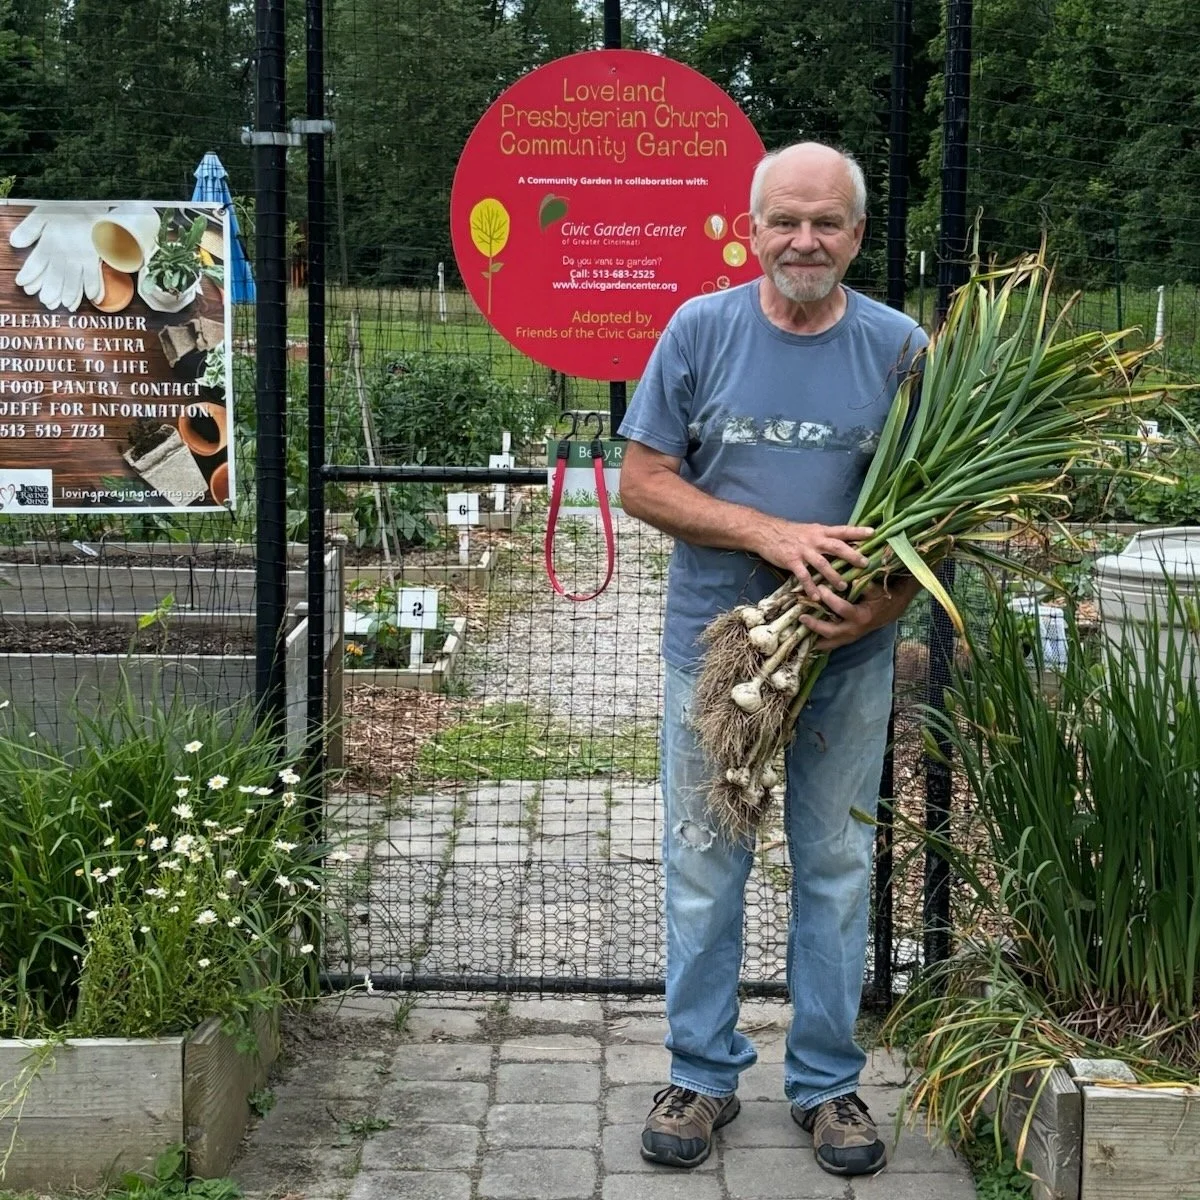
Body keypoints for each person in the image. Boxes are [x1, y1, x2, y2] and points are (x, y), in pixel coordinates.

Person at [617, 141, 928, 1178]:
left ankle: (828, 1084)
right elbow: (645, 482)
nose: (805, 240)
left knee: (836, 873)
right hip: (719, 659)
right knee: (706, 869)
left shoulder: (899, 349)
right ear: (752, 230)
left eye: (826, 222)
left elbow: (945, 519)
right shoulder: (700, 331)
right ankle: (702, 1075)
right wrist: (768, 535)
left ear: (855, 234)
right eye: (785, 221)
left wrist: (873, 607)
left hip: (847, 659)